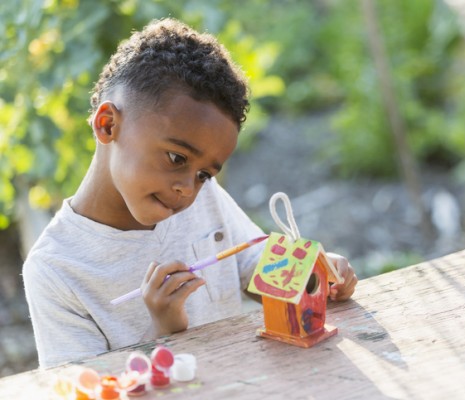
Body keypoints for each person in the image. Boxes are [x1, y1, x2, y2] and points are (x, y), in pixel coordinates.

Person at [22, 18, 358, 368]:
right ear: (108, 125)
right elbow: (85, 389)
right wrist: (163, 331)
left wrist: (309, 275)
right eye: (176, 157)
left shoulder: (205, 198)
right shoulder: (56, 271)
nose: (187, 188)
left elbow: (252, 268)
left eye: (203, 173)